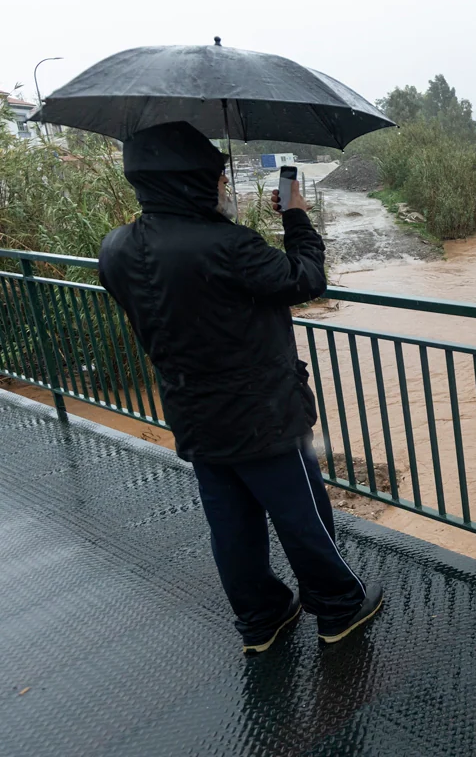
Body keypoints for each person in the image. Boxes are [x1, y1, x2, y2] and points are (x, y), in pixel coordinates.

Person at [99, 121, 383, 654]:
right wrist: (296, 215)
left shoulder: (116, 248)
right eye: (218, 179)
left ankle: (261, 619)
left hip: (192, 412)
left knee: (231, 524)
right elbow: (305, 280)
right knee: (302, 515)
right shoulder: (226, 244)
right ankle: (340, 609)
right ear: (192, 182)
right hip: (263, 417)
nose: (224, 189)